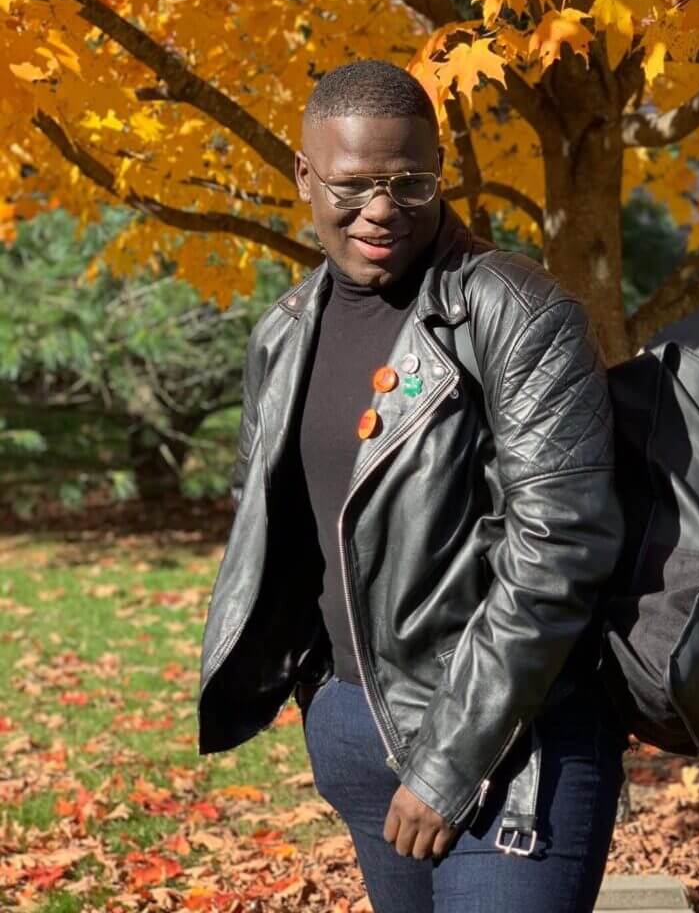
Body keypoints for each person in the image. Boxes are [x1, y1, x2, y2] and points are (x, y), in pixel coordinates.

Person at [196, 59, 628, 912]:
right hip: (362, 739)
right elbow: (279, 530)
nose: (383, 209)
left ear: (441, 169)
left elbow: (559, 553)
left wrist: (448, 763)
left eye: (411, 181)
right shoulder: (284, 335)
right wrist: (322, 704)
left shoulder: (516, 314)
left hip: (510, 749)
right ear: (304, 174)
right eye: (355, 185)